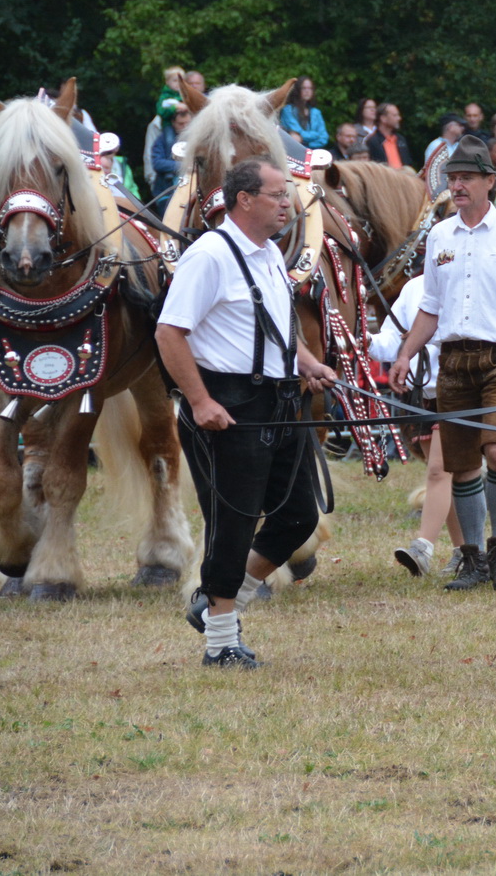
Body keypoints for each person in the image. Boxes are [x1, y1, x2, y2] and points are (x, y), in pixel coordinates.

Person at [156, 158, 340, 667]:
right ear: (244, 200)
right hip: (228, 404)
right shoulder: (210, 256)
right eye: (278, 195)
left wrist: (306, 363)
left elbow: (277, 325)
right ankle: (220, 643)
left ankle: (222, 600)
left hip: (279, 401)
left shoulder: (270, 255)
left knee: (299, 515)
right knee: (232, 524)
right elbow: (170, 334)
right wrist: (200, 401)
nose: (289, 204)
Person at [389, 135, 496, 591]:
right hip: (454, 360)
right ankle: (472, 558)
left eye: (467, 178)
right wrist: (405, 352)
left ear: (490, 181)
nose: (458, 186)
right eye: (453, 179)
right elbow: (430, 307)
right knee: (462, 464)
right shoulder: (440, 235)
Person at [369, 272, 465, 575]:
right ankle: (466, 551)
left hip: (460, 388)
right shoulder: (413, 287)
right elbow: (387, 343)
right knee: (446, 475)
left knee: (440, 470)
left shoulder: (468, 280)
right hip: (424, 394)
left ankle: (423, 547)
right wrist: (357, 339)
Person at [150, 103, 192, 213]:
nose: (184, 127)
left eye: (187, 123)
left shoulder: (198, 140)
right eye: (180, 124)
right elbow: (157, 163)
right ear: (173, 123)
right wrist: (182, 166)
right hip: (167, 192)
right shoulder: (162, 139)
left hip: (192, 192)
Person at [279, 77, 329, 150]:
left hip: (313, 152)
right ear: (297, 90)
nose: (307, 91)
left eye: (310, 88)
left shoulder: (316, 112)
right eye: (304, 88)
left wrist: (305, 142)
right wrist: (316, 135)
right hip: (294, 151)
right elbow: (296, 132)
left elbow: (324, 138)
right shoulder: (288, 110)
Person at [423, 115, 467, 195]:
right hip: (440, 192)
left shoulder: (458, 146)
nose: (462, 128)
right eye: (459, 125)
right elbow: (431, 173)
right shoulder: (436, 145)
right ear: (450, 127)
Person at [366, 102, 415, 169]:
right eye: (395, 115)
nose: (399, 118)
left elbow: (408, 164)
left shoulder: (400, 140)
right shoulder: (372, 142)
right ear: (383, 118)